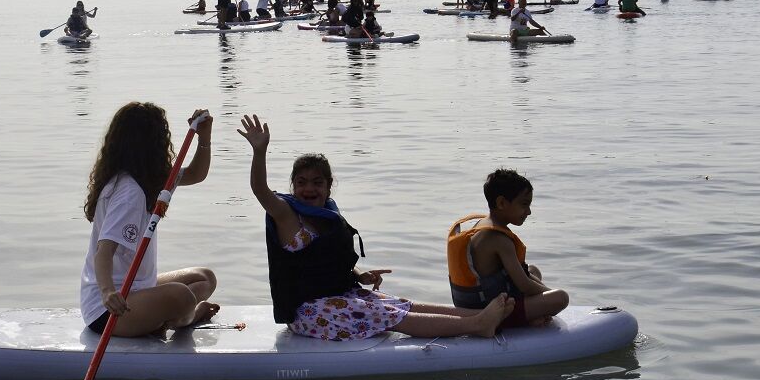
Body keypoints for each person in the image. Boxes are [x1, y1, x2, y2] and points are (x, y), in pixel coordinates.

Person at [236, 114, 512, 341]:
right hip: (309, 312)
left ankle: (482, 313)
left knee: (399, 304)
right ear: (293, 186)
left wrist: (358, 273)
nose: (309, 188)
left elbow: (324, 262)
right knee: (392, 316)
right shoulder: (288, 216)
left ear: (329, 185)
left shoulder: (327, 213)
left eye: (317, 182)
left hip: (339, 296)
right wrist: (259, 151)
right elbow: (260, 190)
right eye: (301, 182)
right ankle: (477, 325)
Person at [80, 102, 219, 338]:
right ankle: (189, 316)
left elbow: (196, 174)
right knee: (182, 296)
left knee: (204, 277)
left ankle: (162, 316)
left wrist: (203, 139)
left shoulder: (152, 178)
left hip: (138, 287)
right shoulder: (129, 192)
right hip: (110, 310)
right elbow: (103, 252)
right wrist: (107, 293)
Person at [447, 169, 568, 328]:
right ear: (502, 203)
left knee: (533, 270)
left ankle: (533, 314)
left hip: (472, 303)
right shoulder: (499, 239)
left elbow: (521, 277)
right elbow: (524, 285)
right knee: (561, 298)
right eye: (524, 204)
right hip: (491, 311)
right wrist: (548, 294)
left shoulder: (483, 225)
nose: (529, 211)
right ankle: (529, 318)